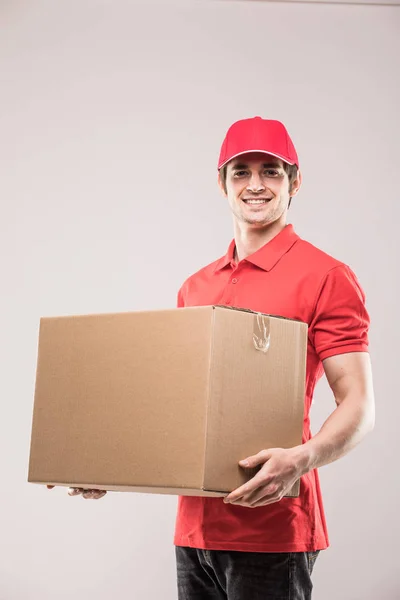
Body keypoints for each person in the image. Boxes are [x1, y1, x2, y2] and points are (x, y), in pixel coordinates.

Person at [51, 117, 375, 600]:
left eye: (272, 171)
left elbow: (359, 404)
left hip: (272, 530)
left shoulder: (326, 275)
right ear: (221, 184)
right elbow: (178, 408)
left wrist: (302, 459)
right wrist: (105, 465)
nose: (256, 185)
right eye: (241, 172)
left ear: (295, 182)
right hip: (194, 530)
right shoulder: (196, 286)